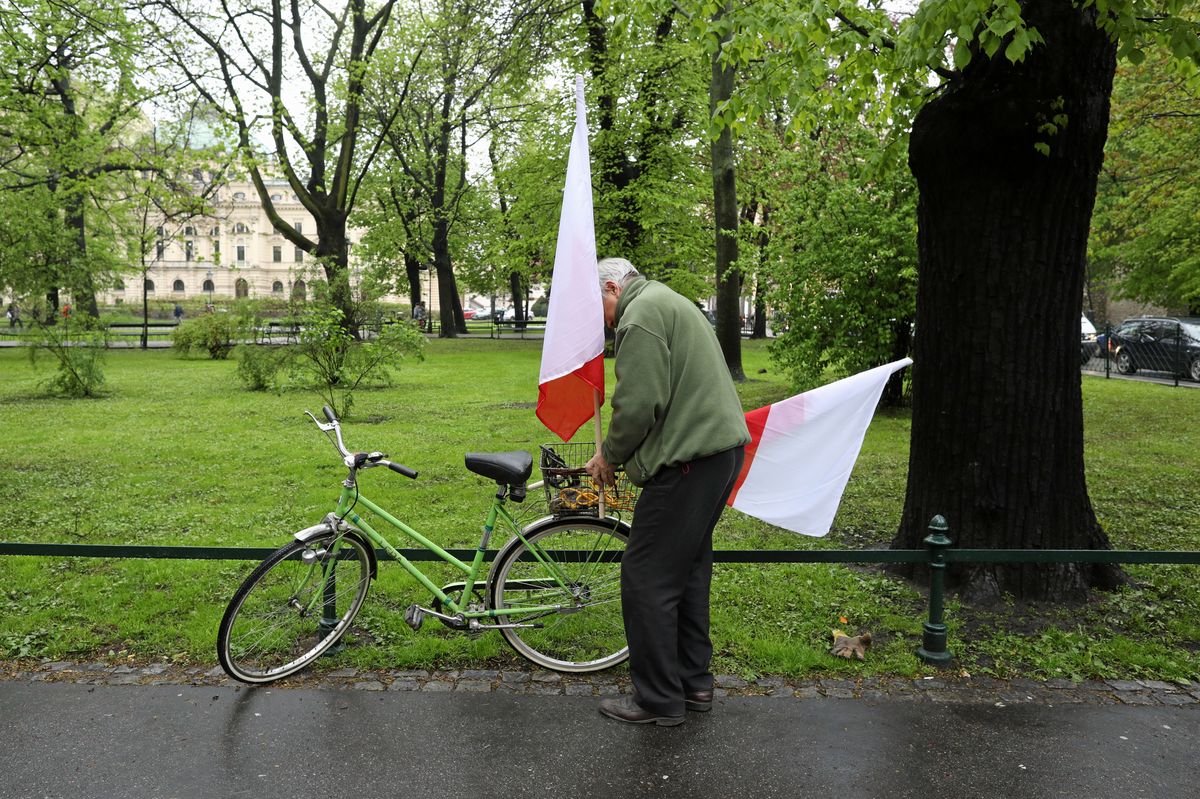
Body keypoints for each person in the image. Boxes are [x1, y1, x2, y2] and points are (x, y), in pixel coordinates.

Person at [585, 257, 750, 727]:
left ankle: (658, 699)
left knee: (647, 576)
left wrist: (609, 456)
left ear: (613, 286)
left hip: (688, 462)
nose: (601, 319)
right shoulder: (670, 301)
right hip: (718, 454)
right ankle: (693, 684)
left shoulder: (641, 316)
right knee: (688, 572)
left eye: (598, 306)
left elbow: (637, 406)